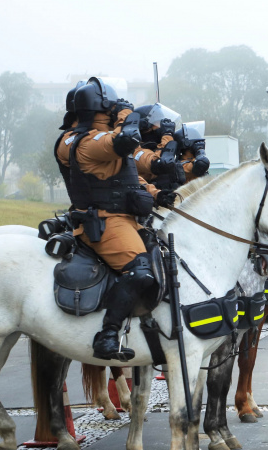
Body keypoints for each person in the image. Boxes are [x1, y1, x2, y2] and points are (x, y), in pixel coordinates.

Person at [56, 77, 177, 361]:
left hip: (124, 218)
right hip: (103, 221)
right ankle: (107, 334)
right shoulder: (84, 142)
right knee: (139, 272)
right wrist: (125, 116)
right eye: (112, 107)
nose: (116, 112)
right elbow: (124, 142)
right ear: (103, 108)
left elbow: (128, 178)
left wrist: (156, 194)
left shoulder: (99, 140)